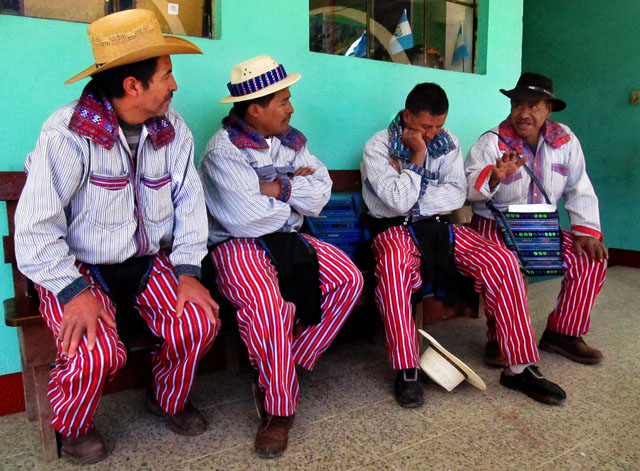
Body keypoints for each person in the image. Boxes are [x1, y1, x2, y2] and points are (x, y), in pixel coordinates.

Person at [14, 9, 220, 465]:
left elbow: (189, 203)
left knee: (199, 320)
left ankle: (165, 397)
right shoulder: (67, 134)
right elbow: (34, 230)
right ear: (133, 86)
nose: (174, 85)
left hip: (147, 263)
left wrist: (188, 271)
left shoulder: (174, 131)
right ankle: (73, 426)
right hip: (78, 269)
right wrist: (73, 292)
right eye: (166, 75)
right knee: (92, 354)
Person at [361, 82, 566, 409]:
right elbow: (397, 203)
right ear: (406, 116)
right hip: (393, 230)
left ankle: (519, 367)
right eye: (424, 126)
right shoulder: (377, 146)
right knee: (395, 268)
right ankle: (407, 368)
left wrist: (417, 199)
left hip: (441, 228)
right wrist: (417, 158)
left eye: (438, 126)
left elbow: (456, 194)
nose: (431, 134)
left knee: (502, 260)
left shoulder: (449, 142)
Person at [199, 55, 363, 459]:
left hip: (288, 238)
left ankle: (282, 367)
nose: (291, 107)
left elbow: (320, 192)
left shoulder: (292, 140)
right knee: (269, 309)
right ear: (255, 109)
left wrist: (276, 189)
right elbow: (246, 217)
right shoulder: (224, 151)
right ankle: (277, 410)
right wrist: (293, 194)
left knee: (349, 279)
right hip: (236, 245)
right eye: (283, 101)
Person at [465, 72, 608, 366]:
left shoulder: (565, 141)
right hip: (495, 224)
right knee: (505, 266)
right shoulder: (491, 142)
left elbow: (579, 186)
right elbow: (466, 189)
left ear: (548, 109)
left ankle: (563, 333)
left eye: (534, 105)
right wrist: (492, 179)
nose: (524, 113)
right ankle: (500, 340)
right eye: (518, 104)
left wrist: (587, 232)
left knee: (591, 257)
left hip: (538, 226)